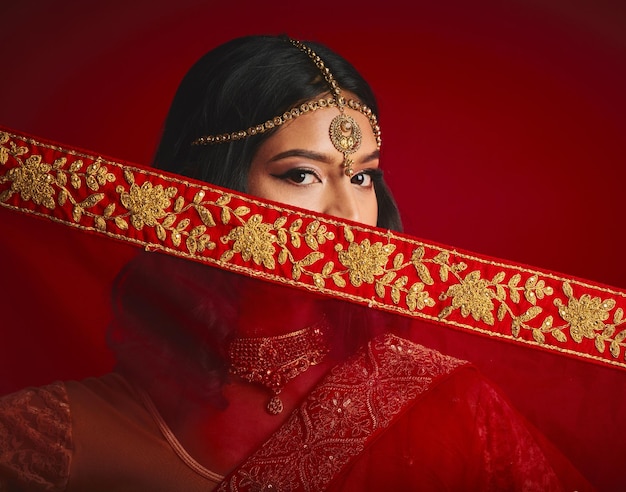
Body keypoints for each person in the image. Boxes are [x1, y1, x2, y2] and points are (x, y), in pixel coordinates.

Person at [0, 34, 594, 491]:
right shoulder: (61, 431)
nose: (348, 213)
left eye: (362, 177)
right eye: (301, 174)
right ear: (206, 191)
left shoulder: (443, 402)